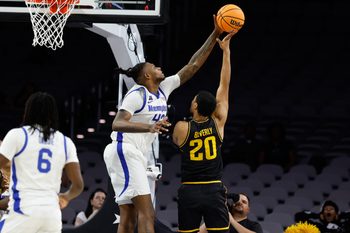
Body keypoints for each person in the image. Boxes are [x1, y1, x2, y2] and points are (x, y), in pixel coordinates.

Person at [103, 15, 224, 233]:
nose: (159, 67)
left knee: (128, 215)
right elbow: (117, 123)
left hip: (132, 153)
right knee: (147, 213)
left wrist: (215, 33)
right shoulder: (137, 94)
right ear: (147, 75)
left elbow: (193, 65)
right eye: (154, 66)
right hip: (125, 150)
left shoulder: (163, 88)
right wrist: (148, 127)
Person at [171, 32, 234, 233]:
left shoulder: (182, 127)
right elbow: (224, 85)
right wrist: (226, 52)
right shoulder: (218, 123)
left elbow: (174, 139)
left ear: (195, 105)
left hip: (189, 189)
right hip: (213, 189)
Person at [0, 92, 84, 233]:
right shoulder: (65, 142)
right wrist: (66, 197)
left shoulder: (18, 135)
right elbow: (78, 185)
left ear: (27, 111)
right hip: (51, 215)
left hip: (23, 211)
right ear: (53, 115)